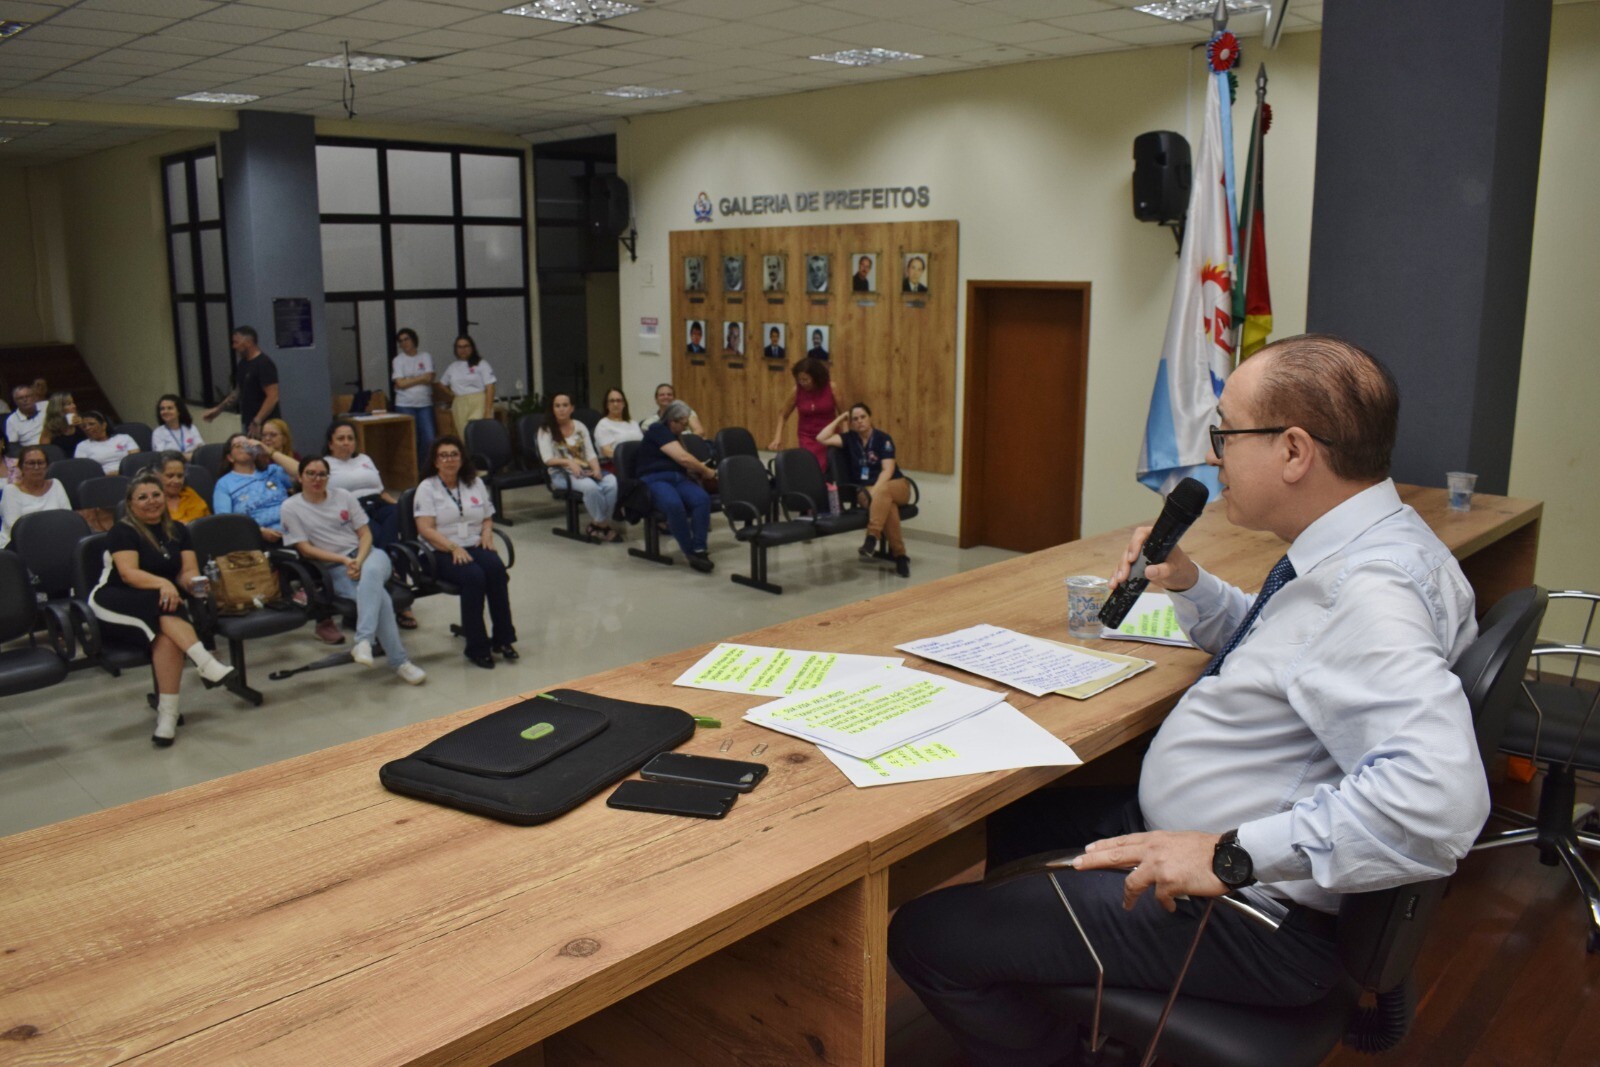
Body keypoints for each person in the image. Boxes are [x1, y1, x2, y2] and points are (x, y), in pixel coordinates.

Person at [888, 334, 1489, 1066]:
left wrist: (1229, 854)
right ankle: (1058, 987)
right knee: (1018, 818)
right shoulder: (1384, 544)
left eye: (1226, 434)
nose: (1213, 457)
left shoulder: (1368, 594)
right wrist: (1191, 583)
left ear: (1295, 452)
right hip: (1235, 855)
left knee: (927, 937)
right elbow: (1295, 651)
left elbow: (1442, 799)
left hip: (1250, 910)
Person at [89, 472, 239, 745]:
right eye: (142, 497)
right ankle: (204, 661)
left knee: (167, 637)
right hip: (114, 599)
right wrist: (163, 584)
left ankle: (167, 717)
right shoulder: (123, 531)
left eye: (156, 495)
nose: (151, 501)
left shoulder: (179, 531)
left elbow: (186, 573)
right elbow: (128, 574)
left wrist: (195, 584)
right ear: (131, 503)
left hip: (158, 603)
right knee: (164, 604)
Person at [281, 456, 426, 686]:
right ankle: (400, 663)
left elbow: (365, 534)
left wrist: (358, 559)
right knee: (383, 600)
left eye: (322, 474)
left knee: (371, 575)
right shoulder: (291, 507)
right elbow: (305, 549)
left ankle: (364, 640)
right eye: (311, 474)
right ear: (300, 477)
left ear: (329, 477)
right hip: (334, 566)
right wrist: (342, 560)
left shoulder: (344, 496)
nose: (317, 479)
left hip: (368, 555)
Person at [412, 435, 517, 669]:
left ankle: (503, 639)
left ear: (461, 458)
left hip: (473, 543)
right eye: (443, 455)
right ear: (436, 461)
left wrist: (487, 533)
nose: (449, 460)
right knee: (474, 576)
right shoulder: (427, 488)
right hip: (438, 550)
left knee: (496, 570)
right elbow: (425, 529)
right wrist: (452, 547)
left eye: (454, 454)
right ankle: (477, 647)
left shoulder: (474, 483)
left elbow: (487, 517)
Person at [323, 419, 415, 628]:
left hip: (379, 504)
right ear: (330, 443)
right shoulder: (325, 464)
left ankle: (392, 579)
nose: (346, 443)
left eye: (350, 438)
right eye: (340, 439)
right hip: (352, 511)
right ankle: (398, 596)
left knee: (397, 523)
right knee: (377, 537)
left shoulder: (365, 458)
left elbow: (381, 490)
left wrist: (400, 508)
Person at [816, 404, 911, 578]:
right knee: (889, 507)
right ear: (851, 422)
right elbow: (821, 438)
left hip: (896, 485)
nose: (860, 421)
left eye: (863, 417)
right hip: (865, 490)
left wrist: (875, 491)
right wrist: (840, 417)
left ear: (870, 417)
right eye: (855, 419)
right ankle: (900, 556)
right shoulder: (849, 438)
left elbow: (887, 471)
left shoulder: (883, 439)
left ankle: (872, 536)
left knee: (884, 493)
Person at [636, 400, 716, 572]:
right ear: (672, 421)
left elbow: (682, 462)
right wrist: (706, 470)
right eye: (683, 424)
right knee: (674, 505)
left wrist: (697, 470)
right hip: (655, 478)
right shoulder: (658, 430)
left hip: (677, 477)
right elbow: (683, 458)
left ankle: (700, 548)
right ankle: (690, 551)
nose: (685, 428)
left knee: (702, 499)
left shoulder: (676, 436)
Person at [538, 393, 620, 542]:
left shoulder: (580, 426)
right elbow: (547, 459)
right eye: (557, 406)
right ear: (553, 409)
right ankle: (604, 526)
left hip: (585, 469)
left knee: (611, 482)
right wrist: (569, 463)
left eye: (565, 405)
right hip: (561, 474)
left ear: (572, 408)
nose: (561, 409)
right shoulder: (546, 430)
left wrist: (595, 468)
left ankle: (598, 524)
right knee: (591, 487)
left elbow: (590, 453)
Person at [212, 433, 292, 543]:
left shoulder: (271, 470)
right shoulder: (224, 484)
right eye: (238, 446)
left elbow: (302, 474)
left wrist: (270, 452)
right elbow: (225, 521)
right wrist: (259, 531)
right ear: (230, 457)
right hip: (256, 538)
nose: (245, 448)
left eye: (248, 444)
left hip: (294, 526)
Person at [203, 326, 280, 438]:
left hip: (265, 424)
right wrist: (218, 409)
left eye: (236, 342)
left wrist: (257, 420)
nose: (234, 346)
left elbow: (273, 397)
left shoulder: (264, 364)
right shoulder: (243, 364)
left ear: (248, 342)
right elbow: (239, 391)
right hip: (248, 422)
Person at [768, 357, 839, 469]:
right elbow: (783, 414)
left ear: (815, 377)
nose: (803, 383)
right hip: (807, 437)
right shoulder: (797, 390)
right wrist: (778, 437)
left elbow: (844, 414)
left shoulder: (831, 388)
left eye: (806, 379)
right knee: (811, 466)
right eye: (800, 380)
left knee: (830, 468)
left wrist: (847, 437)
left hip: (829, 435)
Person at [0, 445, 71, 548]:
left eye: (40, 463)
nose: (36, 467)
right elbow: (14, 528)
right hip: (19, 544)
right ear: (21, 467)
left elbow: (68, 517)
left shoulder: (56, 484)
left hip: (55, 539)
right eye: (31, 463)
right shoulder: (11, 490)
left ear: (47, 466)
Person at [391, 327, 436, 468]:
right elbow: (399, 383)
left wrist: (407, 381)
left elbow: (429, 378)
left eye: (407, 339)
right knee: (411, 439)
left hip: (424, 404)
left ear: (413, 339)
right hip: (405, 404)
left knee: (430, 438)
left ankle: (424, 468)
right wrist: (420, 378)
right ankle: (413, 471)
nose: (404, 343)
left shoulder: (425, 356)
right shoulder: (398, 360)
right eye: (401, 341)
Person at [438, 334, 496, 436]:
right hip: (460, 403)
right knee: (464, 434)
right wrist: (452, 394)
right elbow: (442, 384)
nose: (462, 349)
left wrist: (488, 410)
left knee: (477, 432)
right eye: (459, 347)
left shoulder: (481, 364)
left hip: (478, 401)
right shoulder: (453, 367)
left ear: (472, 347)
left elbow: (490, 387)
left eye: (466, 346)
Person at [75, 411, 140, 474]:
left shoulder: (124, 438)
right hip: (103, 479)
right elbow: (84, 469)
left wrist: (120, 472)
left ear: (104, 425)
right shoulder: (82, 446)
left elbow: (134, 459)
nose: (87, 428)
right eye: (84, 426)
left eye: (91, 424)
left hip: (130, 473)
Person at [593, 387, 642, 463]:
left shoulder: (633, 423)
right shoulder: (603, 425)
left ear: (624, 404)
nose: (615, 404)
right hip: (617, 465)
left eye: (618, 401)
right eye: (612, 401)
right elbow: (607, 452)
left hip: (639, 462)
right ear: (607, 405)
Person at [159, 451, 209, 524]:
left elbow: (207, 524)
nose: (177, 481)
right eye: (170, 476)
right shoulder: (152, 500)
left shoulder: (190, 494)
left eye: (180, 476)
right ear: (157, 476)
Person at [5, 383, 45, 448]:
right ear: (15, 402)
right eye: (20, 398)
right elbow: (12, 446)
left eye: (28, 396)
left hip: (51, 447)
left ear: (34, 397)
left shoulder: (45, 407)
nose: (25, 400)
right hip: (30, 451)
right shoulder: (12, 420)